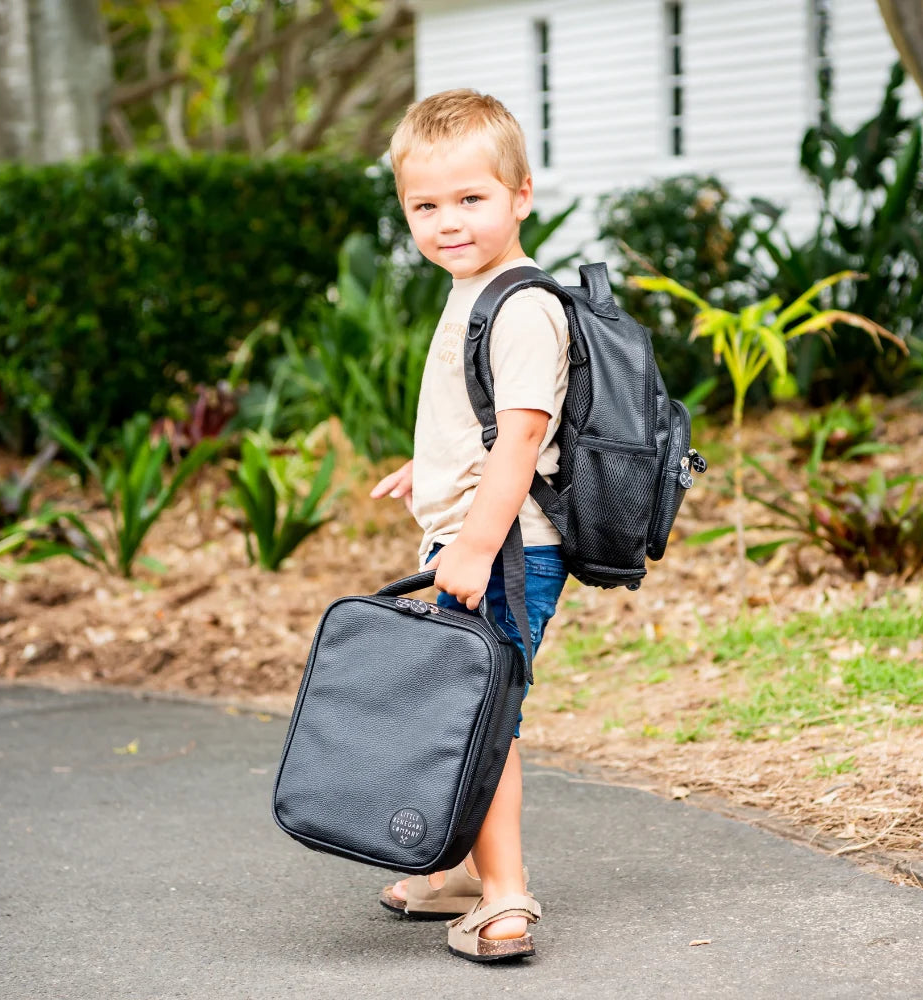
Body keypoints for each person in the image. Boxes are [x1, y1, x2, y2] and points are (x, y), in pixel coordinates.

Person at [369, 89, 570, 962]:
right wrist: (436, 465)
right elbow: (488, 422)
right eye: (426, 205)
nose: (448, 222)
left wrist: (476, 543)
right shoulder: (471, 290)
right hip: (479, 534)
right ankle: (458, 874)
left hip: (503, 547)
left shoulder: (523, 306)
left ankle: (506, 900)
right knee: (468, 708)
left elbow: (525, 435)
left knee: (481, 719)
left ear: (521, 195)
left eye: (471, 199)